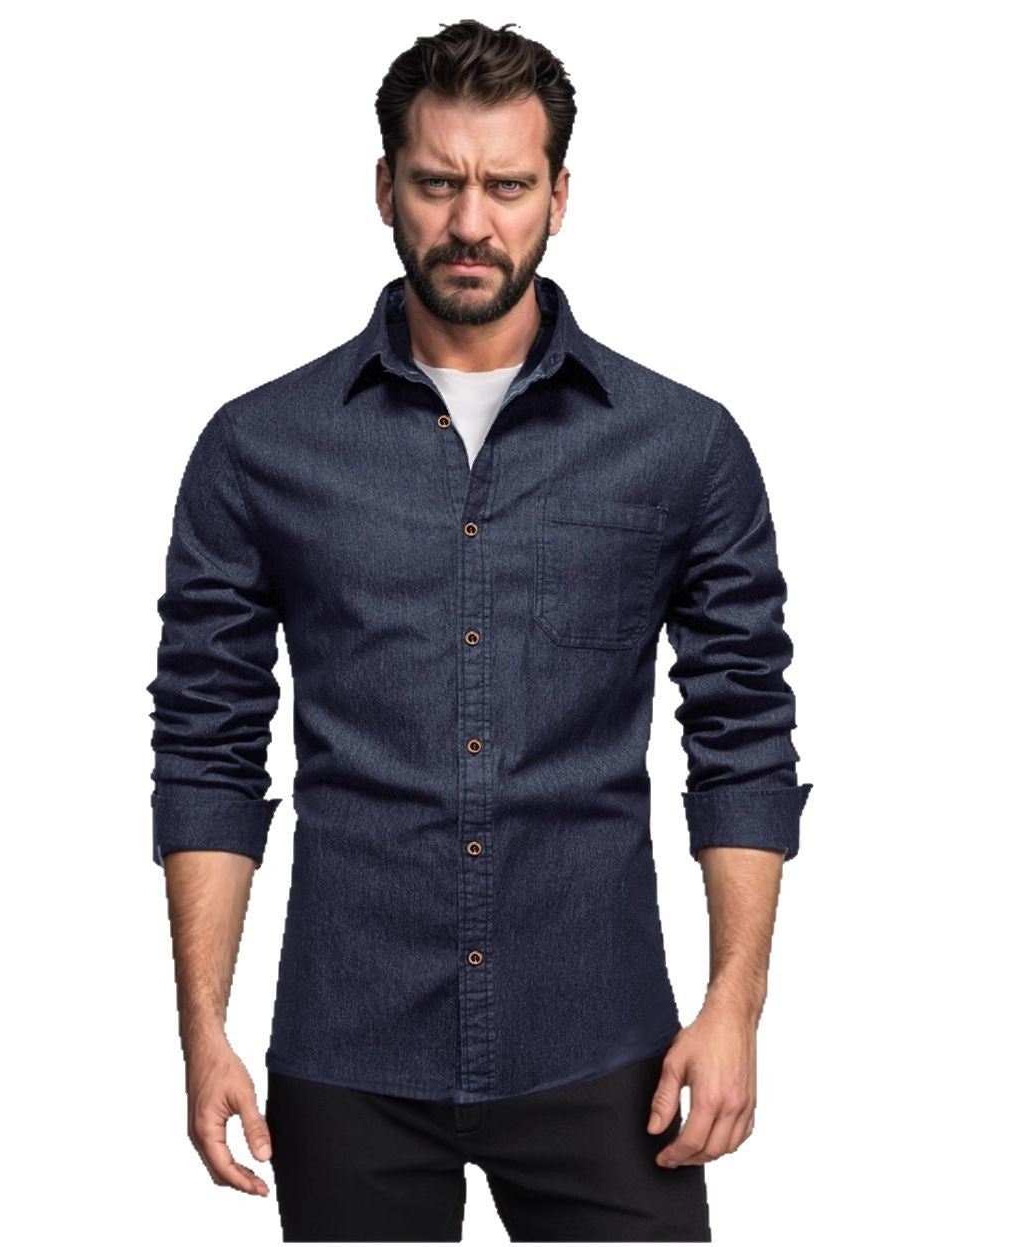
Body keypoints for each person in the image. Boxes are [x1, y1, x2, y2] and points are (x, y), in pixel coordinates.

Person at [146, 18, 812, 1242]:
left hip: (601, 1042)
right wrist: (203, 1029)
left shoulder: (681, 446)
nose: (470, 221)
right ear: (383, 189)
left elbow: (742, 734)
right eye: (437, 182)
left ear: (557, 196)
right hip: (348, 1048)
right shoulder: (260, 448)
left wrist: (734, 1005)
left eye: (505, 185)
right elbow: (206, 744)